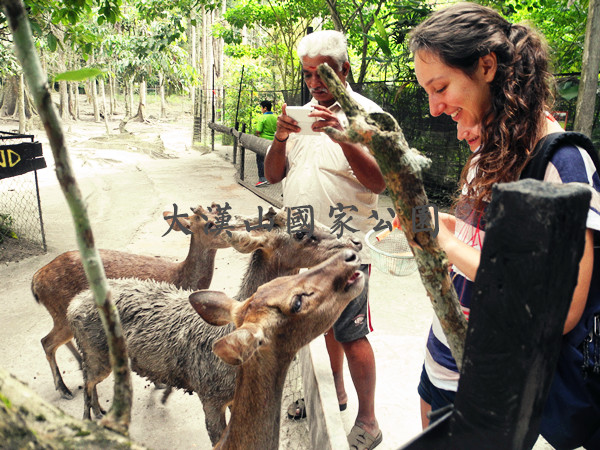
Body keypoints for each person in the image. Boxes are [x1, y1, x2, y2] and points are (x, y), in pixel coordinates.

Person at [408, 3, 600, 448]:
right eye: (427, 92)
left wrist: (445, 244)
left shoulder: (564, 163)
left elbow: (564, 305)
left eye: (440, 87)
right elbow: (484, 238)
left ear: (487, 66)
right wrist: (431, 224)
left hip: (495, 378)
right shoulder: (488, 149)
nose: (435, 107)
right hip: (446, 350)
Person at [264, 29, 385, 449]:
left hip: (346, 246)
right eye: (308, 74)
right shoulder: (300, 114)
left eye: (323, 74)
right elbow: (274, 174)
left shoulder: (368, 115)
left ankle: (368, 421)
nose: (314, 83)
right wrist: (280, 137)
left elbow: (380, 181)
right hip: (302, 241)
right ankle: (334, 391)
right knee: (320, 324)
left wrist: (343, 137)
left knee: (351, 332)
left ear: (345, 71)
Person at [254, 100, 277, 187]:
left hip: (263, 142)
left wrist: (258, 133)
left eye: (261, 107)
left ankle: (262, 178)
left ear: (265, 108)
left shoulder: (262, 118)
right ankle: (270, 178)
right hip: (273, 142)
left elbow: (258, 130)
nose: (261, 109)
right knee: (269, 160)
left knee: (260, 159)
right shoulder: (275, 118)